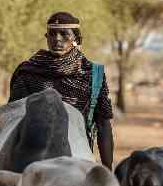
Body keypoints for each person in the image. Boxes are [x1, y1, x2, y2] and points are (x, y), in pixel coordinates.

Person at [9, 12, 114, 168]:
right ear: (46, 37)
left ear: (77, 39)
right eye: (52, 34)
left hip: (78, 156)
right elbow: (13, 117)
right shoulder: (28, 72)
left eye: (64, 34)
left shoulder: (92, 74)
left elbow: (103, 124)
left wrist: (107, 171)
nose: (57, 39)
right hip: (31, 154)